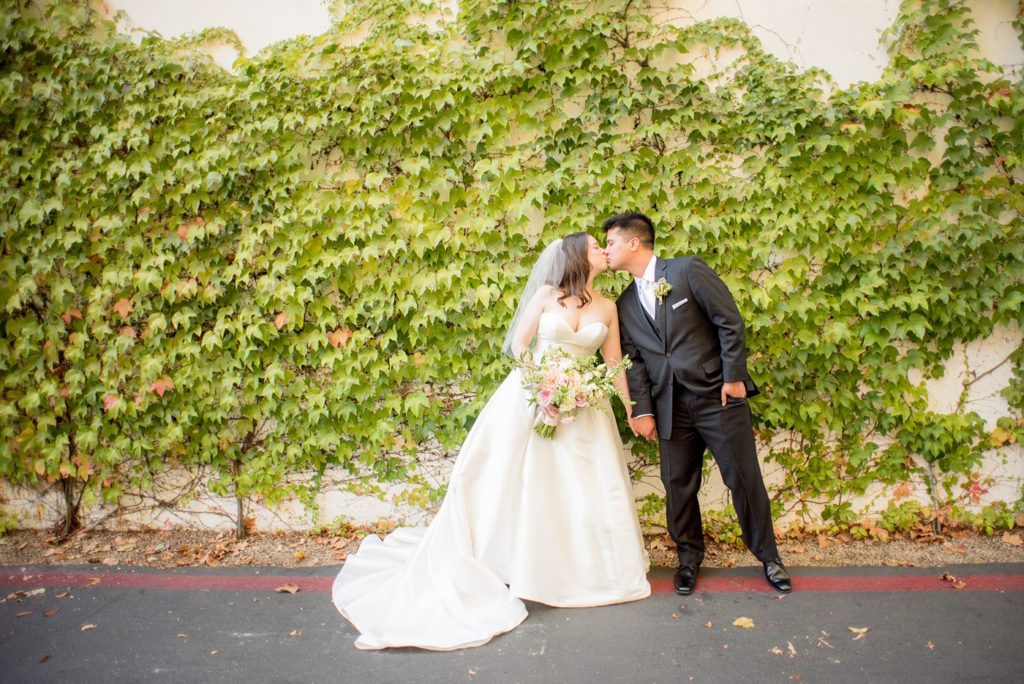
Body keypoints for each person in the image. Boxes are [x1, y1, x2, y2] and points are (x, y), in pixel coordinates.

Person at [332, 232, 651, 650]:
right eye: (595, 245)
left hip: (584, 409)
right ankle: (514, 564)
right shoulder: (545, 295)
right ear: (577, 255)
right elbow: (519, 346)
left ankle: (584, 572)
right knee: (521, 485)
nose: (602, 251)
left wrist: (629, 407)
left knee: (584, 490)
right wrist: (543, 389)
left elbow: (612, 363)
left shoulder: (609, 307)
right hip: (532, 399)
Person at [602, 212, 792, 594]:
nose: (606, 250)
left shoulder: (687, 271)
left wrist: (734, 377)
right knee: (678, 487)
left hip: (716, 396)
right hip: (669, 407)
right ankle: (688, 560)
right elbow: (633, 361)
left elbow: (729, 321)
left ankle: (769, 557)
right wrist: (641, 409)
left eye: (610, 243)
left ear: (634, 243)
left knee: (743, 478)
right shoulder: (623, 304)